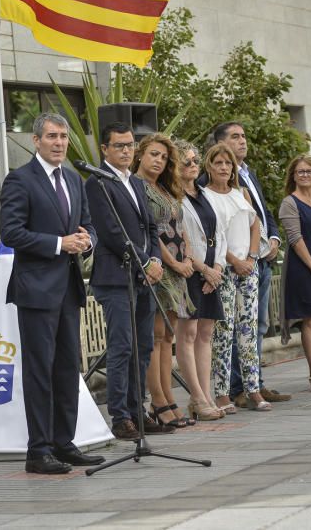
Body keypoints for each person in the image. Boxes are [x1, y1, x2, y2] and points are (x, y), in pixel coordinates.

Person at [0, 112, 103, 474]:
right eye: (52, 136)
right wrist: (59, 243)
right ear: (36, 140)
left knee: (65, 369)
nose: (60, 143)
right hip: (37, 290)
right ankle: (38, 450)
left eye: (63, 137)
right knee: (39, 371)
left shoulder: (74, 180)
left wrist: (87, 239)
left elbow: (86, 224)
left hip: (68, 290)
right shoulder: (20, 180)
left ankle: (64, 441)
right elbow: (10, 232)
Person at [85, 121, 171, 440]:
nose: (126, 151)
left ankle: (138, 408)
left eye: (130, 145)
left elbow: (149, 226)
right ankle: (119, 415)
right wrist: (145, 260)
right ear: (104, 149)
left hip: (144, 277)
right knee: (122, 345)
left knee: (144, 345)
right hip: (116, 277)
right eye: (119, 145)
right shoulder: (97, 183)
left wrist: (156, 259)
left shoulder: (135, 183)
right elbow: (110, 231)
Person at [211, 122, 290, 404]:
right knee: (229, 329)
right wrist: (238, 260)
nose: (242, 141)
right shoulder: (210, 187)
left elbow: (262, 215)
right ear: (219, 144)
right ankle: (236, 389)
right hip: (231, 266)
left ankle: (254, 382)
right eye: (235, 137)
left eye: (244, 136)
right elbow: (216, 232)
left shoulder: (247, 175)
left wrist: (273, 239)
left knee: (256, 325)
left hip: (258, 262)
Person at [202, 143, 271, 412]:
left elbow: (255, 224)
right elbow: (215, 236)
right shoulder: (204, 195)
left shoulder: (241, 192)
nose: (223, 168)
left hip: (249, 268)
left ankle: (253, 388)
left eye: (227, 163)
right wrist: (235, 261)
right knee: (223, 332)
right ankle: (221, 394)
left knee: (248, 330)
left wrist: (252, 258)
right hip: (225, 269)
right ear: (209, 166)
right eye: (218, 163)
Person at [131, 133, 194, 429]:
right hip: (158, 269)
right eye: (153, 154)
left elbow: (179, 228)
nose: (158, 161)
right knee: (155, 337)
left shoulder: (166, 188)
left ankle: (169, 397)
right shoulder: (137, 187)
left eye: (164, 157)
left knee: (167, 338)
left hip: (178, 270)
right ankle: (157, 401)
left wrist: (188, 261)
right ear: (140, 155)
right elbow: (152, 233)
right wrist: (174, 264)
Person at [176, 140, 226, 421]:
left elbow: (219, 233)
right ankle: (196, 395)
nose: (193, 166)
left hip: (212, 272)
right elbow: (180, 239)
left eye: (195, 161)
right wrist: (203, 270)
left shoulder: (204, 193)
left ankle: (205, 396)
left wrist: (216, 268)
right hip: (190, 272)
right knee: (188, 333)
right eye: (187, 162)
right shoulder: (173, 197)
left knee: (206, 333)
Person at [277, 154, 311, 392]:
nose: (304, 175)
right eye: (300, 172)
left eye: (309, 171)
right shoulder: (290, 203)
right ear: (293, 176)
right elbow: (295, 238)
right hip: (305, 268)